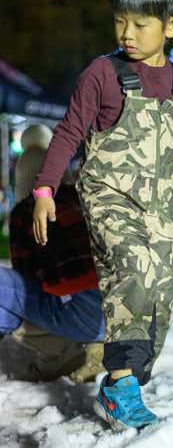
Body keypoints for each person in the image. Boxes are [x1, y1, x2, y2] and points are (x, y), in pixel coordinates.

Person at [32, 0, 173, 431]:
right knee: (132, 272)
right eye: (120, 21)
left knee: (158, 295)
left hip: (158, 208)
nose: (127, 34)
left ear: (171, 26)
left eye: (140, 24)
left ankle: (127, 380)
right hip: (108, 196)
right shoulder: (102, 73)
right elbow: (69, 132)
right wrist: (45, 187)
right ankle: (120, 385)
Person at [2, 125, 105, 380]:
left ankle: (62, 351)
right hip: (121, 311)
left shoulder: (25, 212)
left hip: (82, 316)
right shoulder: (86, 199)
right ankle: (96, 342)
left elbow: (26, 282)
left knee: (12, 294)